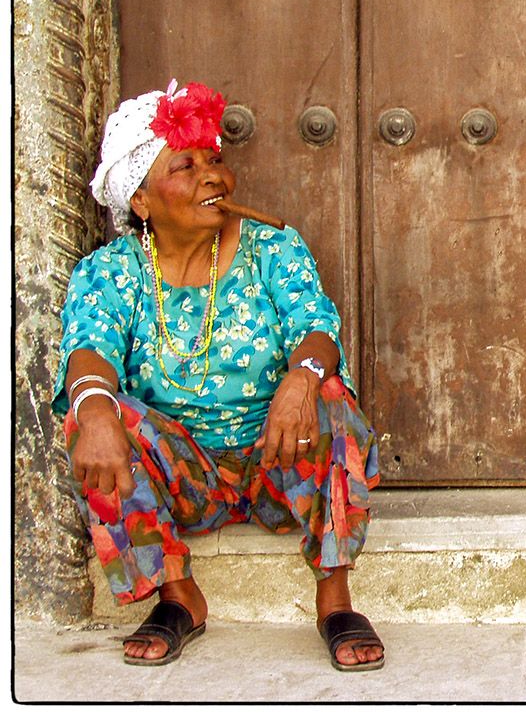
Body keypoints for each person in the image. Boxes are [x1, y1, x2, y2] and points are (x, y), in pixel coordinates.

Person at [53, 80, 385, 671]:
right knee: (93, 415)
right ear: (142, 201)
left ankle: (335, 598)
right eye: (186, 165)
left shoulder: (271, 248)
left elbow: (316, 328)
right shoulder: (110, 271)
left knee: (329, 393)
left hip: (278, 466)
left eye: (215, 160)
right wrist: (93, 406)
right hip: (184, 484)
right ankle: (178, 596)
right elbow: (89, 353)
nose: (213, 176)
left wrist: (303, 378)